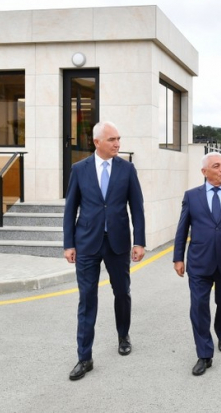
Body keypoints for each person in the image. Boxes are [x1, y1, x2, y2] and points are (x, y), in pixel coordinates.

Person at [63, 121, 146, 381]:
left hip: (119, 243)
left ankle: (123, 335)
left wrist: (139, 242)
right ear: (97, 142)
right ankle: (84, 357)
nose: (117, 144)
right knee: (87, 299)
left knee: (122, 292)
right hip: (87, 243)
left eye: (119, 139)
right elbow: (70, 209)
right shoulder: (79, 170)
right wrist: (69, 244)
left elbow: (137, 208)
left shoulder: (127, 169)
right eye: (112, 139)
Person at [173, 152, 221, 376]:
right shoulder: (192, 196)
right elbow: (182, 229)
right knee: (198, 308)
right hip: (199, 262)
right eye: (216, 166)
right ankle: (204, 354)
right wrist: (178, 257)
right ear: (204, 172)